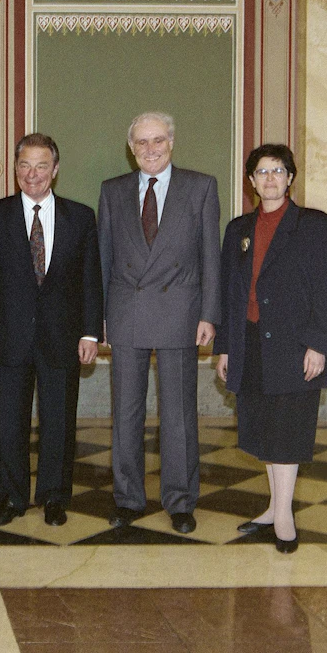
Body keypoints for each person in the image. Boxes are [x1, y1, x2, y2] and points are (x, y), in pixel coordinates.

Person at [0, 133, 102, 527]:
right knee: (8, 422)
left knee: (59, 422)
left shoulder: (81, 217)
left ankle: (55, 497)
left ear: (55, 170)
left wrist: (90, 333)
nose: (33, 174)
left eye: (42, 165)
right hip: (8, 336)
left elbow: (91, 280)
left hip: (63, 337)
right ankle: (10, 497)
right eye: (25, 165)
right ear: (15, 168)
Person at [98, 111, 220, 534]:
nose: (150, 149)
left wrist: (209, 314)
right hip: (126, 312)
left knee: (179, 414)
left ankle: (181, 500)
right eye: (142, 143)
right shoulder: (112, 191)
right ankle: (128, 498)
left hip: (180, 312)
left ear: (172, 142)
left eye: (158, 141)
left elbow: (211, 257)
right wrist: (101, 317)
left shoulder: (201, 187)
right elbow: (104, 259)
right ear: (131, 149)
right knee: (125, 412)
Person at [214, 144, 327, 554]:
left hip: (293, 344)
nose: (270, 178)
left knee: (288, 430)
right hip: (250, 343)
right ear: (250, 181)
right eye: (262, 172)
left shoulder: (314, 224)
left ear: (290, 178)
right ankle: (273, 506)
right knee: (265, 428)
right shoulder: (238, 229)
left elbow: (326, 288)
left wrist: (318, 344)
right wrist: (226, 348)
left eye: (278, 170)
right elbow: (230, 293)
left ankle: (284, 515)